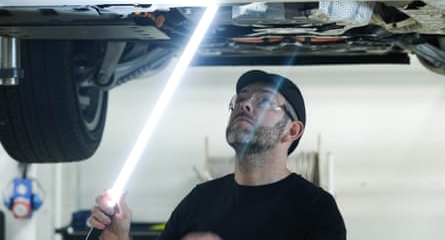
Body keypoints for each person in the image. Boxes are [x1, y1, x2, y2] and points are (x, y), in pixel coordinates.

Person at [89, 69, 347, 240]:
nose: (245, 104)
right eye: (240, 100)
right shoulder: (199, 200)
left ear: (292, 130)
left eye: (265, 101)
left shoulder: (315, 208)